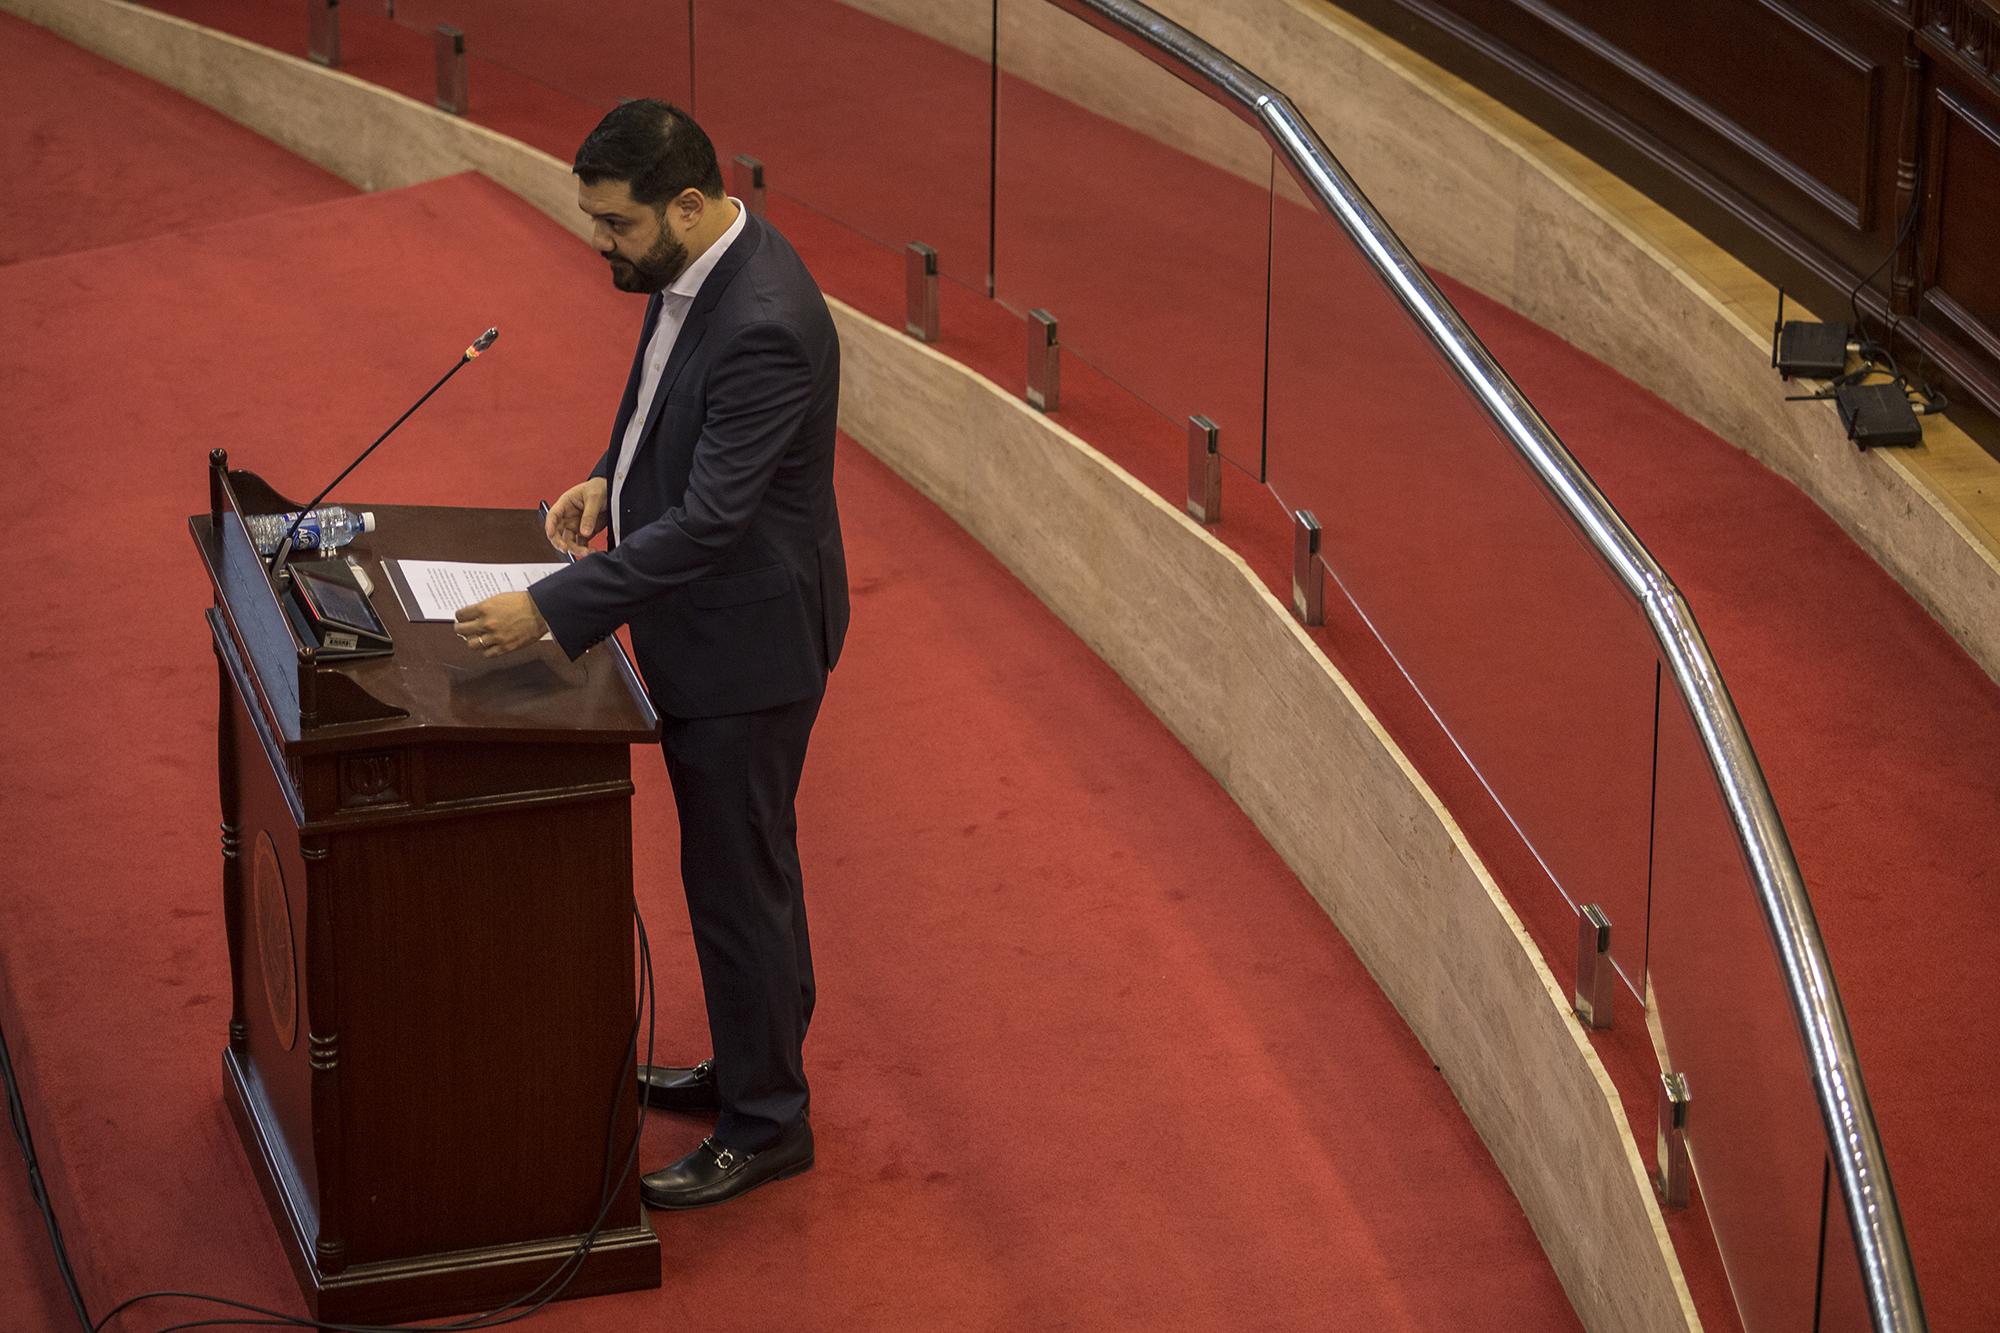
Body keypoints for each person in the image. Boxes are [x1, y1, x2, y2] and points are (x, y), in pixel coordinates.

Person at [451, 99, 848, 1211]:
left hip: (747, 647)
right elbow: (662, 406)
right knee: (738, 873)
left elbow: (718, 520)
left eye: (614, 224)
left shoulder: (764, 316)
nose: (597, 242)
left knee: (737, 883)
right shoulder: (699, 267)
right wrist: (606, 478)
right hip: (708, 621)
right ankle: (746, 1058)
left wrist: (556, 604)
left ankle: (768, 1122)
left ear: (684, 202)